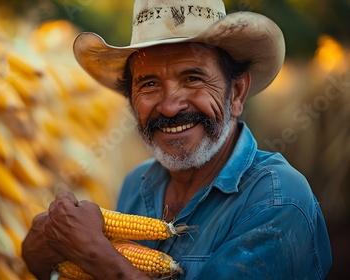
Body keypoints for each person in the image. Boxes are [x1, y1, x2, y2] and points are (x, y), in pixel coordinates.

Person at [22, 0, 333, 279]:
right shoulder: (136, 185)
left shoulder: (278, 199)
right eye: (150, 84)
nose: (170, 106)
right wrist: (43, 259)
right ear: (131, 99)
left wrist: (93, 252)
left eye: (193, 78)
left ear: (236, 93)